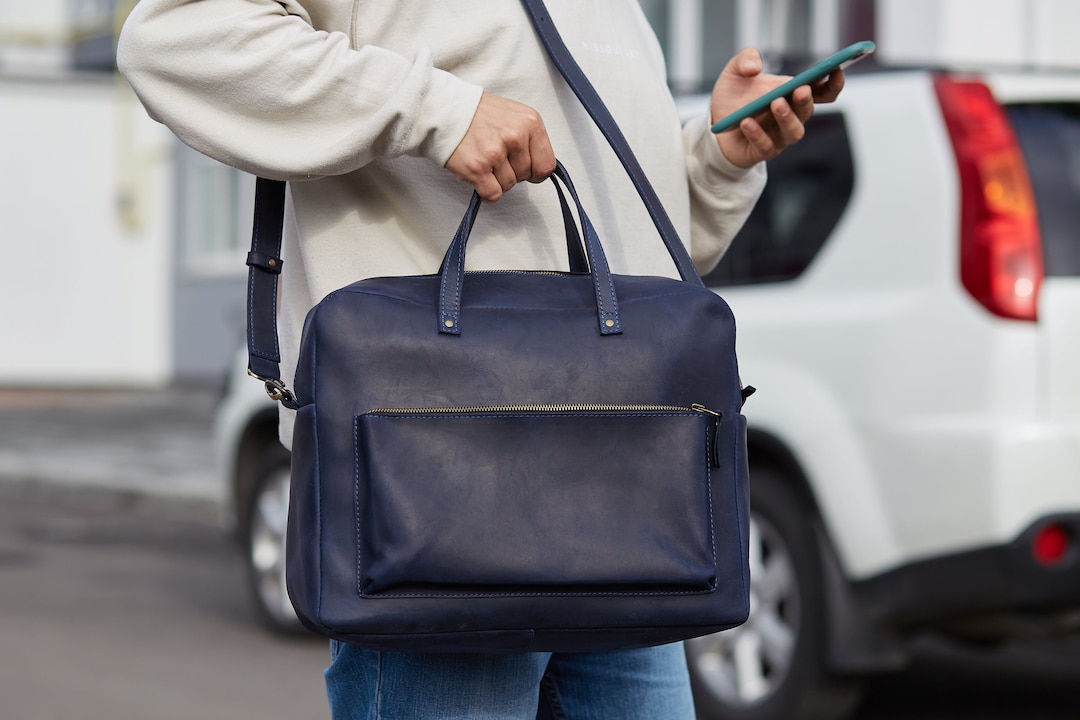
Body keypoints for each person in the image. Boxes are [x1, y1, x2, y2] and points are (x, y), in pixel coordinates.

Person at [117, 2, 842, 718]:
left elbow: (639, 273)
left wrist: (717, 161)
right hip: (438, 514)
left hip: (628, 528)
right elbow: (172, 39)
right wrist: (436, 109)